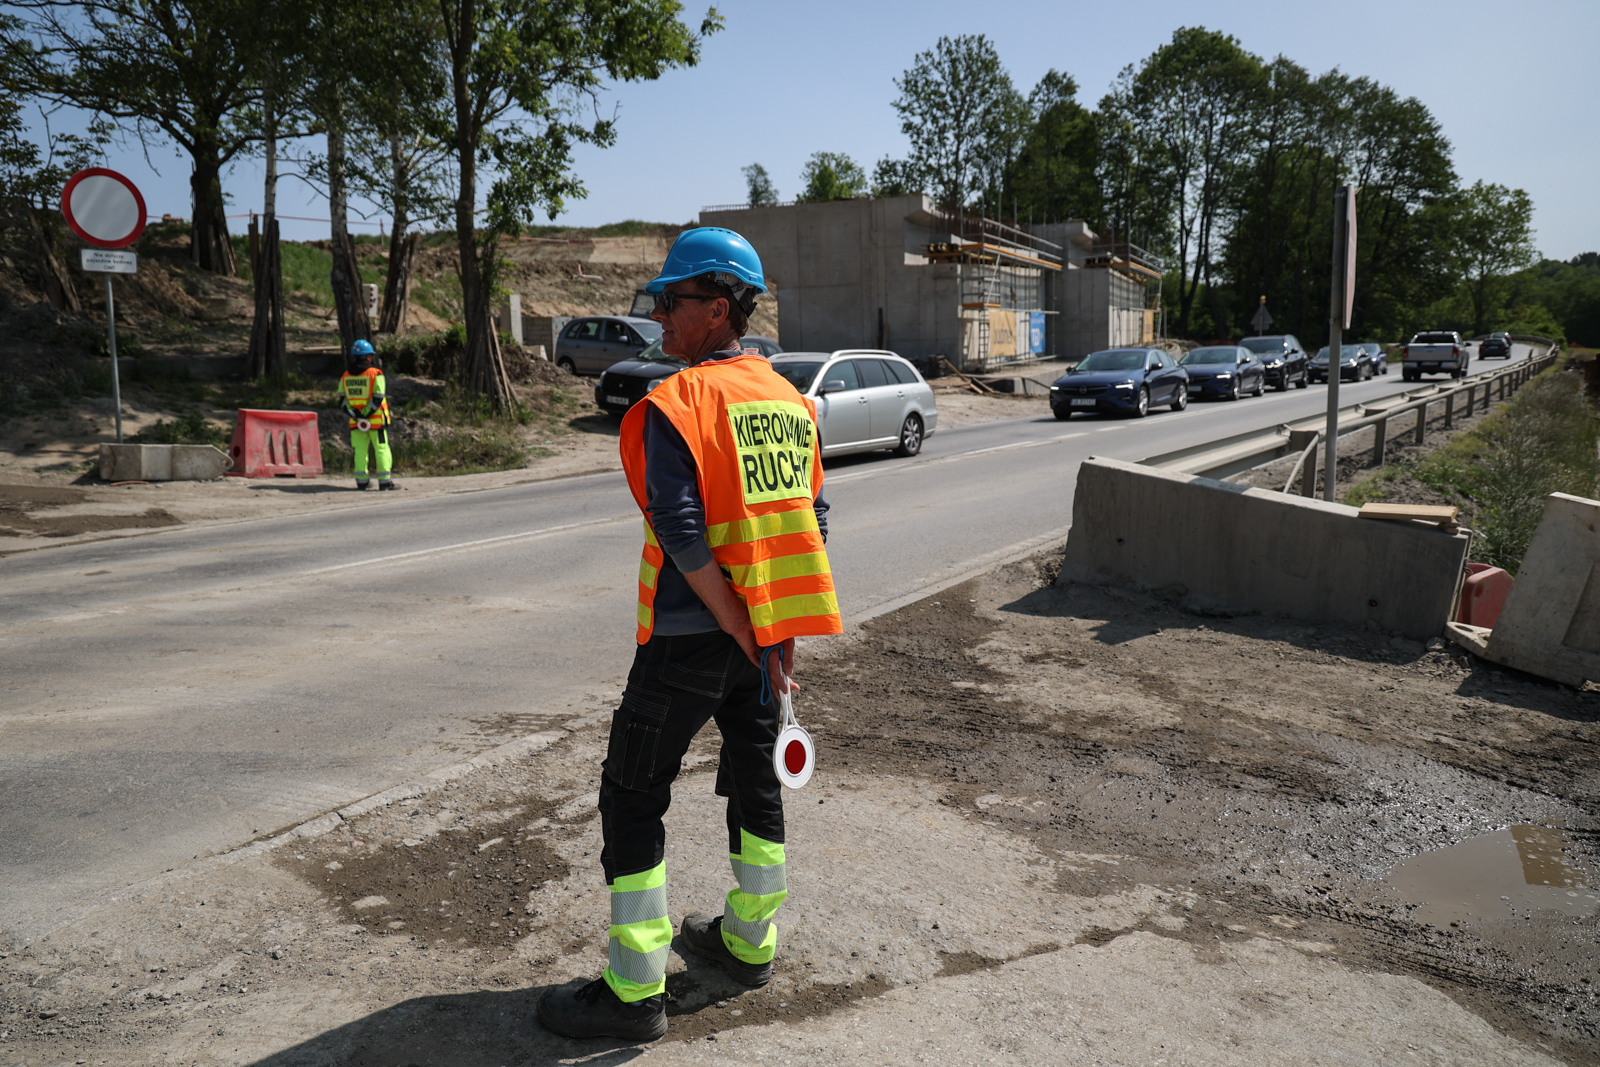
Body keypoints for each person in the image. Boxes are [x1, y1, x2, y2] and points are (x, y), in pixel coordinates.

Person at [537, 228, 842, 1042]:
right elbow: (808, 522)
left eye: (672, 300)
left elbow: (679, 530)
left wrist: (736, 622)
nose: (659, 315)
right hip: (761, 643)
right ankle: (749, 942)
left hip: (687, 638)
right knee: (756, 782)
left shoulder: (680, 403)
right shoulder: (789, 402)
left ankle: (635, 992)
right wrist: (774, 635)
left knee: (632, 793)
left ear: (718, 307)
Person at [337, 340, 395, 490]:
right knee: (381, 450)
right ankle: (385, 482)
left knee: (360, 451)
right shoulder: (376, 374)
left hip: (356, 422)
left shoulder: (345, 375)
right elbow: (378, 397)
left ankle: (362, 482)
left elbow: (343, 400)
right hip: (376, 421)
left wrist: (355, 414)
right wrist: (366, 414)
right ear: (368, 357)